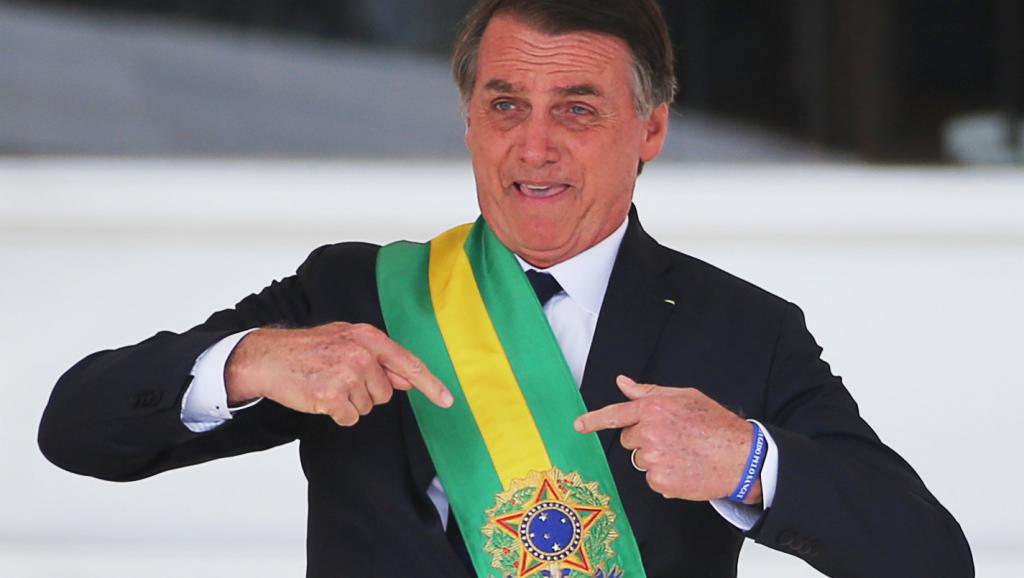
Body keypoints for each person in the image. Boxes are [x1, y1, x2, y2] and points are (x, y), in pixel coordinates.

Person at [38, 1, 973, 577]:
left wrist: (749, 462)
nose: (533, 147)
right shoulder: (359, 291)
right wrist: (247, 364)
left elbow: (930, 560)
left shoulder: (742, 330)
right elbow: (75, 431)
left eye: (577, 110)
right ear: (468, 117)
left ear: (651, 129)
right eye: (505, 106)